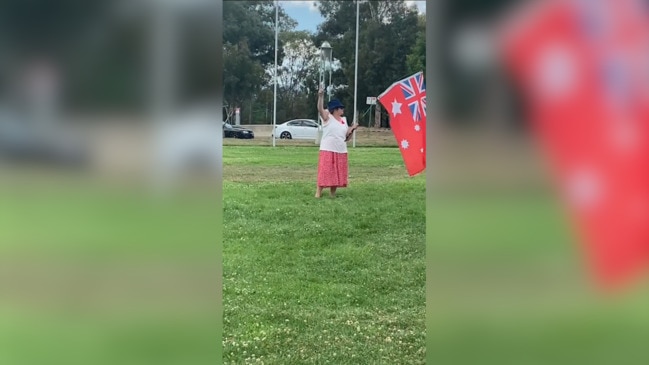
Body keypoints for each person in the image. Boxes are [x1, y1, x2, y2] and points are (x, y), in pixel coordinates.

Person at [315, 86, 358, 198]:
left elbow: (347, 138)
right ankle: (318, 192)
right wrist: (320, 96)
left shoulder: (344, 120)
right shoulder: (327, 117)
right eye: (340, 108)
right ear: (335, 109)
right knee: (325, 171)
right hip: (328, 149)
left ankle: (332, 194)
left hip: (341, 150)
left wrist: (352, 129)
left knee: (337, 172)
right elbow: (320, 108)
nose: (342, 109)